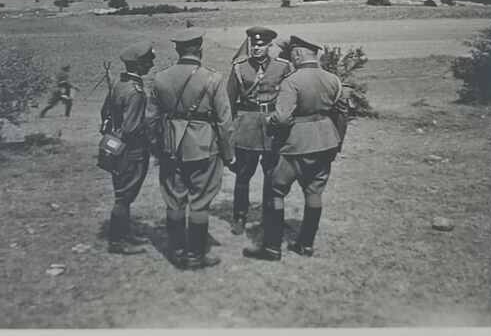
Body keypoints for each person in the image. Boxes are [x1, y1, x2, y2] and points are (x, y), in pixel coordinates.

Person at [243, 34, 345, 262]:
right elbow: (341, 115)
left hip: (295, 144)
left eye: (293, 54)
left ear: (298, 54)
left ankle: (271, 248)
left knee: (275, 191)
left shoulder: (292, 81)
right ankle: (306, 245)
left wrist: (269, 121)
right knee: (314, 192)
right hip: (325, 141)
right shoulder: (333, 79)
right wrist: (337, 143)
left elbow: (282, 118)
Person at [148, 30, 234, 270]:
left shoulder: (161, 78)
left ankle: (176, 252)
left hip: (170, 146)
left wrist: (158, 148)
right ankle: (196, 255)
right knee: (199, 202)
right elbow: (225, 122)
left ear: (178, 50)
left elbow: (151, 119)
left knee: (174, 201)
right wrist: (229, 154)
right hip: (204, 147)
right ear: (200, 49)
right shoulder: (213, 79)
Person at [226, 26, 291, 234]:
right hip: (247, 126)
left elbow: (289, 98)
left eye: (262, 44)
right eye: (254, 44)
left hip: (272, 126)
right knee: (243, 174)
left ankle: (270, 216)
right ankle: (239, 216)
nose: (257, 48)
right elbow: (229, 101)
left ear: (269, 46)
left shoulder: (283, 67)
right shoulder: (239, 67)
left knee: (272, 174)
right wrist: (231, 130)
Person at [103, 40, 155, 255]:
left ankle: (123, 234)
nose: (151, 64)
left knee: (121, 193)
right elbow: (132, 127)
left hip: (115, 145)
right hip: (131, 151)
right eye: (148, 61)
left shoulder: (118, 83)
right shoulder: (136, 92)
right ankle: (117, 242)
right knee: (124, 196)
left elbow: (105, 112)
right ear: (139, 65)